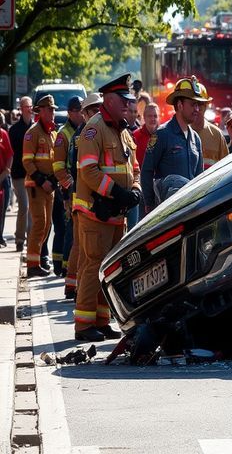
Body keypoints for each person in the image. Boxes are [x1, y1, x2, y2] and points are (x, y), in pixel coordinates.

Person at [73, 76, 140, 341]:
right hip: (95, 211)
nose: (127, 105)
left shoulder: (123, 130)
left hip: (116, 214)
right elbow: (88, 170)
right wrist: (115, 192)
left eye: (129, 101)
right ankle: (83, 325)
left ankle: (101, 320)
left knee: (108, 269)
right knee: (92, 266)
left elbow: (133, 168)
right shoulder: (94, 128)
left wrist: (134, 190)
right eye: (123, 100)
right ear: (108, 100)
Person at [141, 76, 205, 213]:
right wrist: (150, 205)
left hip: (190, 210)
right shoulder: (162, 135)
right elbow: (146, 171)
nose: (197, 109)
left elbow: (200, 177)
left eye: (198, 105)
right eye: (193, 104)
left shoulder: (196, 139)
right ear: (180, 105)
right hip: (167, 213)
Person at [63, 93, 102, 300]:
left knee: (83, 247)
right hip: (84, 197)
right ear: (85, 114)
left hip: (88, 197)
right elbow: (76, 169)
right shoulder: (83, 136)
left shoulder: (90, 132)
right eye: (93, 110)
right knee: (82, 246)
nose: (97, 114)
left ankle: (73, 284)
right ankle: (75, 286)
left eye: (99, 109)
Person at [22, 95, 59, 277]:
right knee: (39, 223)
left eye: (53, 109)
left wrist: (52, 180)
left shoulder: (52, 133)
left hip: (48, 187)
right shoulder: (33, 132)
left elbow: (54, 161)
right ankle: (32, 265)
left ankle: (35, 260)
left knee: (47, 225)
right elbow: (27, 162)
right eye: (50, 109)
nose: (53, 112)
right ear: (41, 111)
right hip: (36, 186)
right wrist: (42, 180)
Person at [51, 96, 84, 276]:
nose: (82, 113)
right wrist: (68, 190)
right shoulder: (63, 135)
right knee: (69, 229)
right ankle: (65, 267)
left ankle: (68, 266)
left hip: (79, 188)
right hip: (68, 189)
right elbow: (58, 167)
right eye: (79, 110)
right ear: (71, 112)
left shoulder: (83, 130)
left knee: (75, 230)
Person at [9, 96, 34, 252]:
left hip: (32, 174)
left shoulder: (35, 128)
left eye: (31, 106)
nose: (29, 109)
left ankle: (31, 239)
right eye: (26, 106)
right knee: (24, 206)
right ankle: (19, 238)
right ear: (21, 108)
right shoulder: (14, 130)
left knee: (32, 207)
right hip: (18, 174)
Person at [190, 82, 228, 170]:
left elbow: (225, 169)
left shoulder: (216, 135)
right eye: (193, 104)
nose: (197, 109)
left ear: (206, 106)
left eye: (200, 105)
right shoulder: (180, 133)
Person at [0, 118, 12, 247]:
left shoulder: (3, 134)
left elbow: (10, 155)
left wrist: (6, 172)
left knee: (1, 210)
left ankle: (0, 236)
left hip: (2, 178)